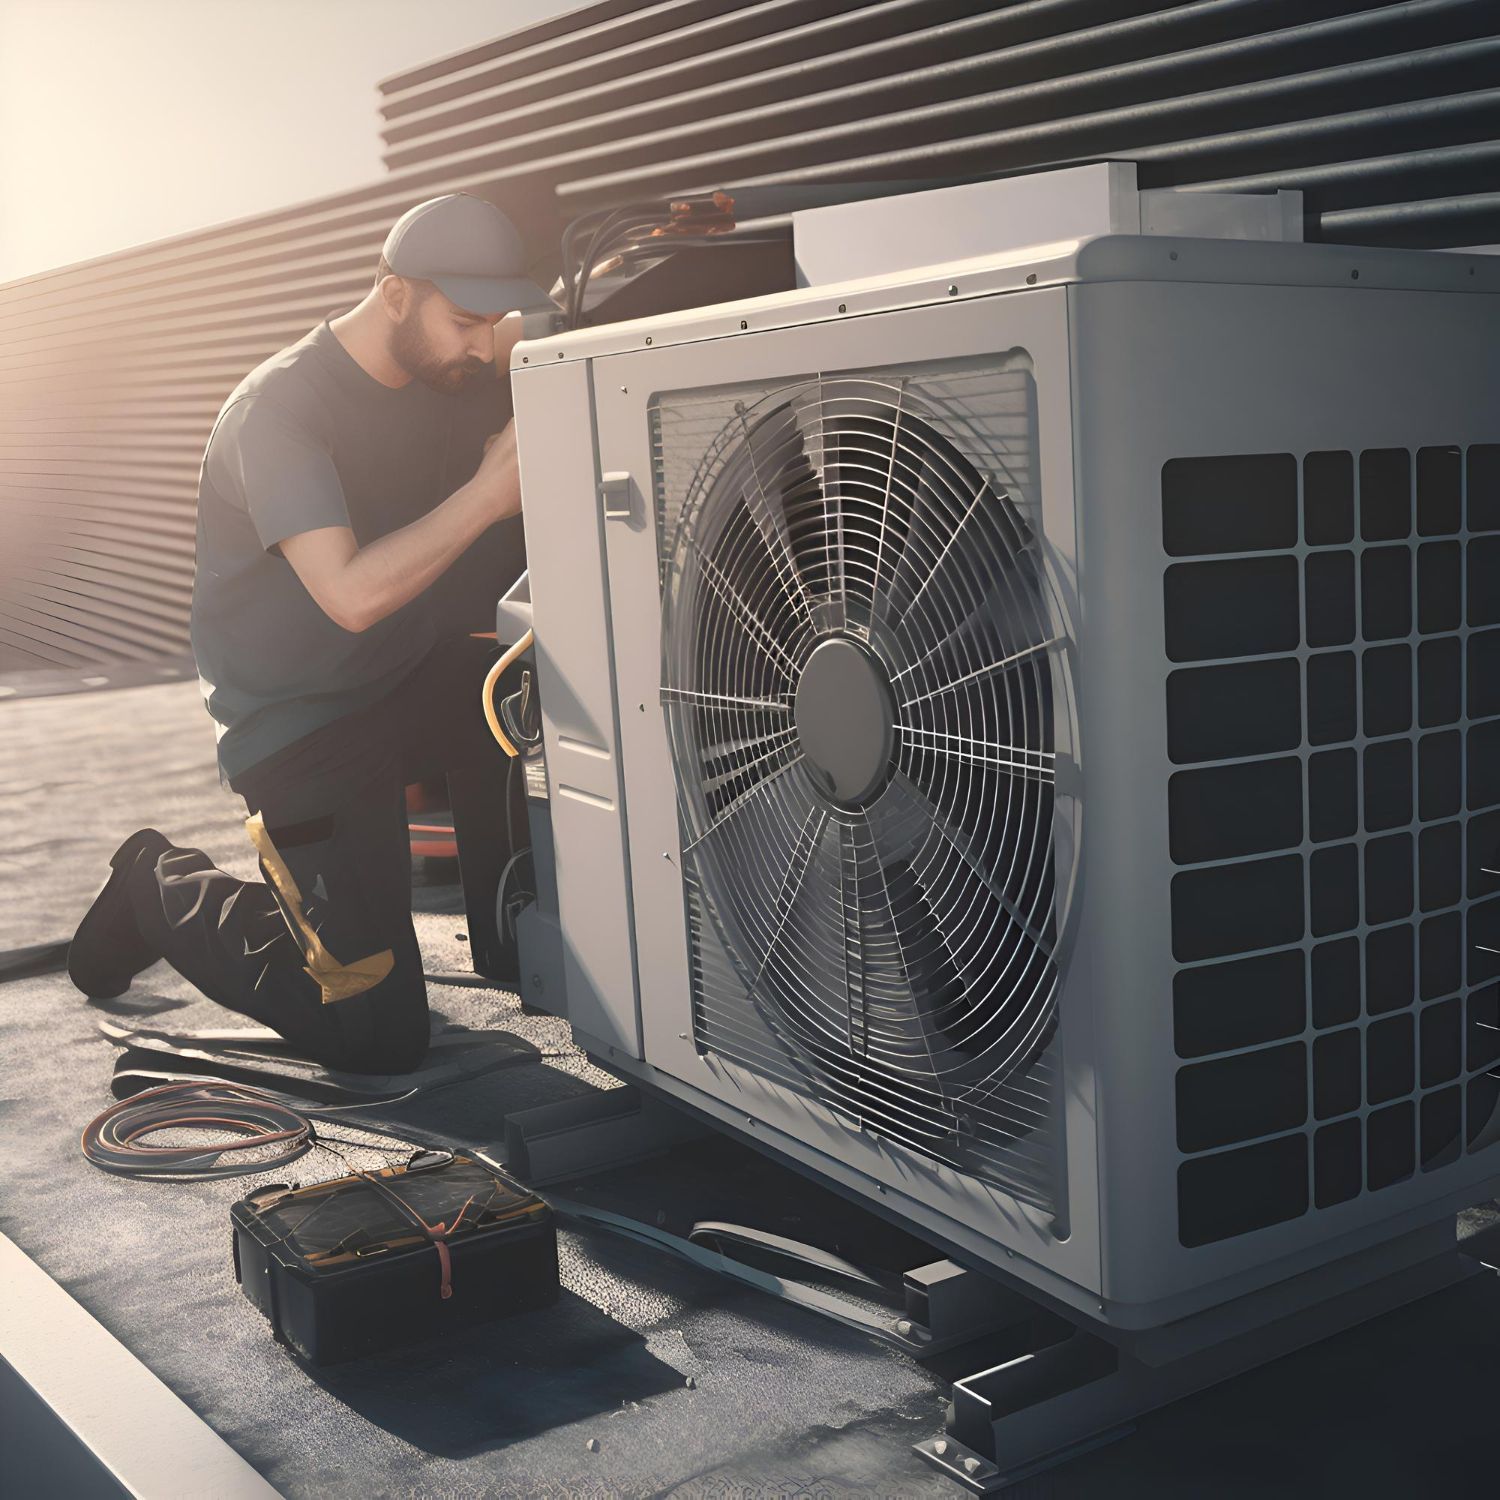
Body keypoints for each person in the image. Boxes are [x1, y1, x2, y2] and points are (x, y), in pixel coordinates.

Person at [66, 193, 553, 1075]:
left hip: (407, 675)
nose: (484, 346)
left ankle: (512, 934)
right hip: (300, 728)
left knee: (537, 688)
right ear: (395, 292)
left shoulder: (448, 358)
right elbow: (351, 597)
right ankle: (154, 885)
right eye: (466, 321)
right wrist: (491, 490)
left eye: (493, 320)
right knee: (374, 1035)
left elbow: (544, 328)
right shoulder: (279, 411)